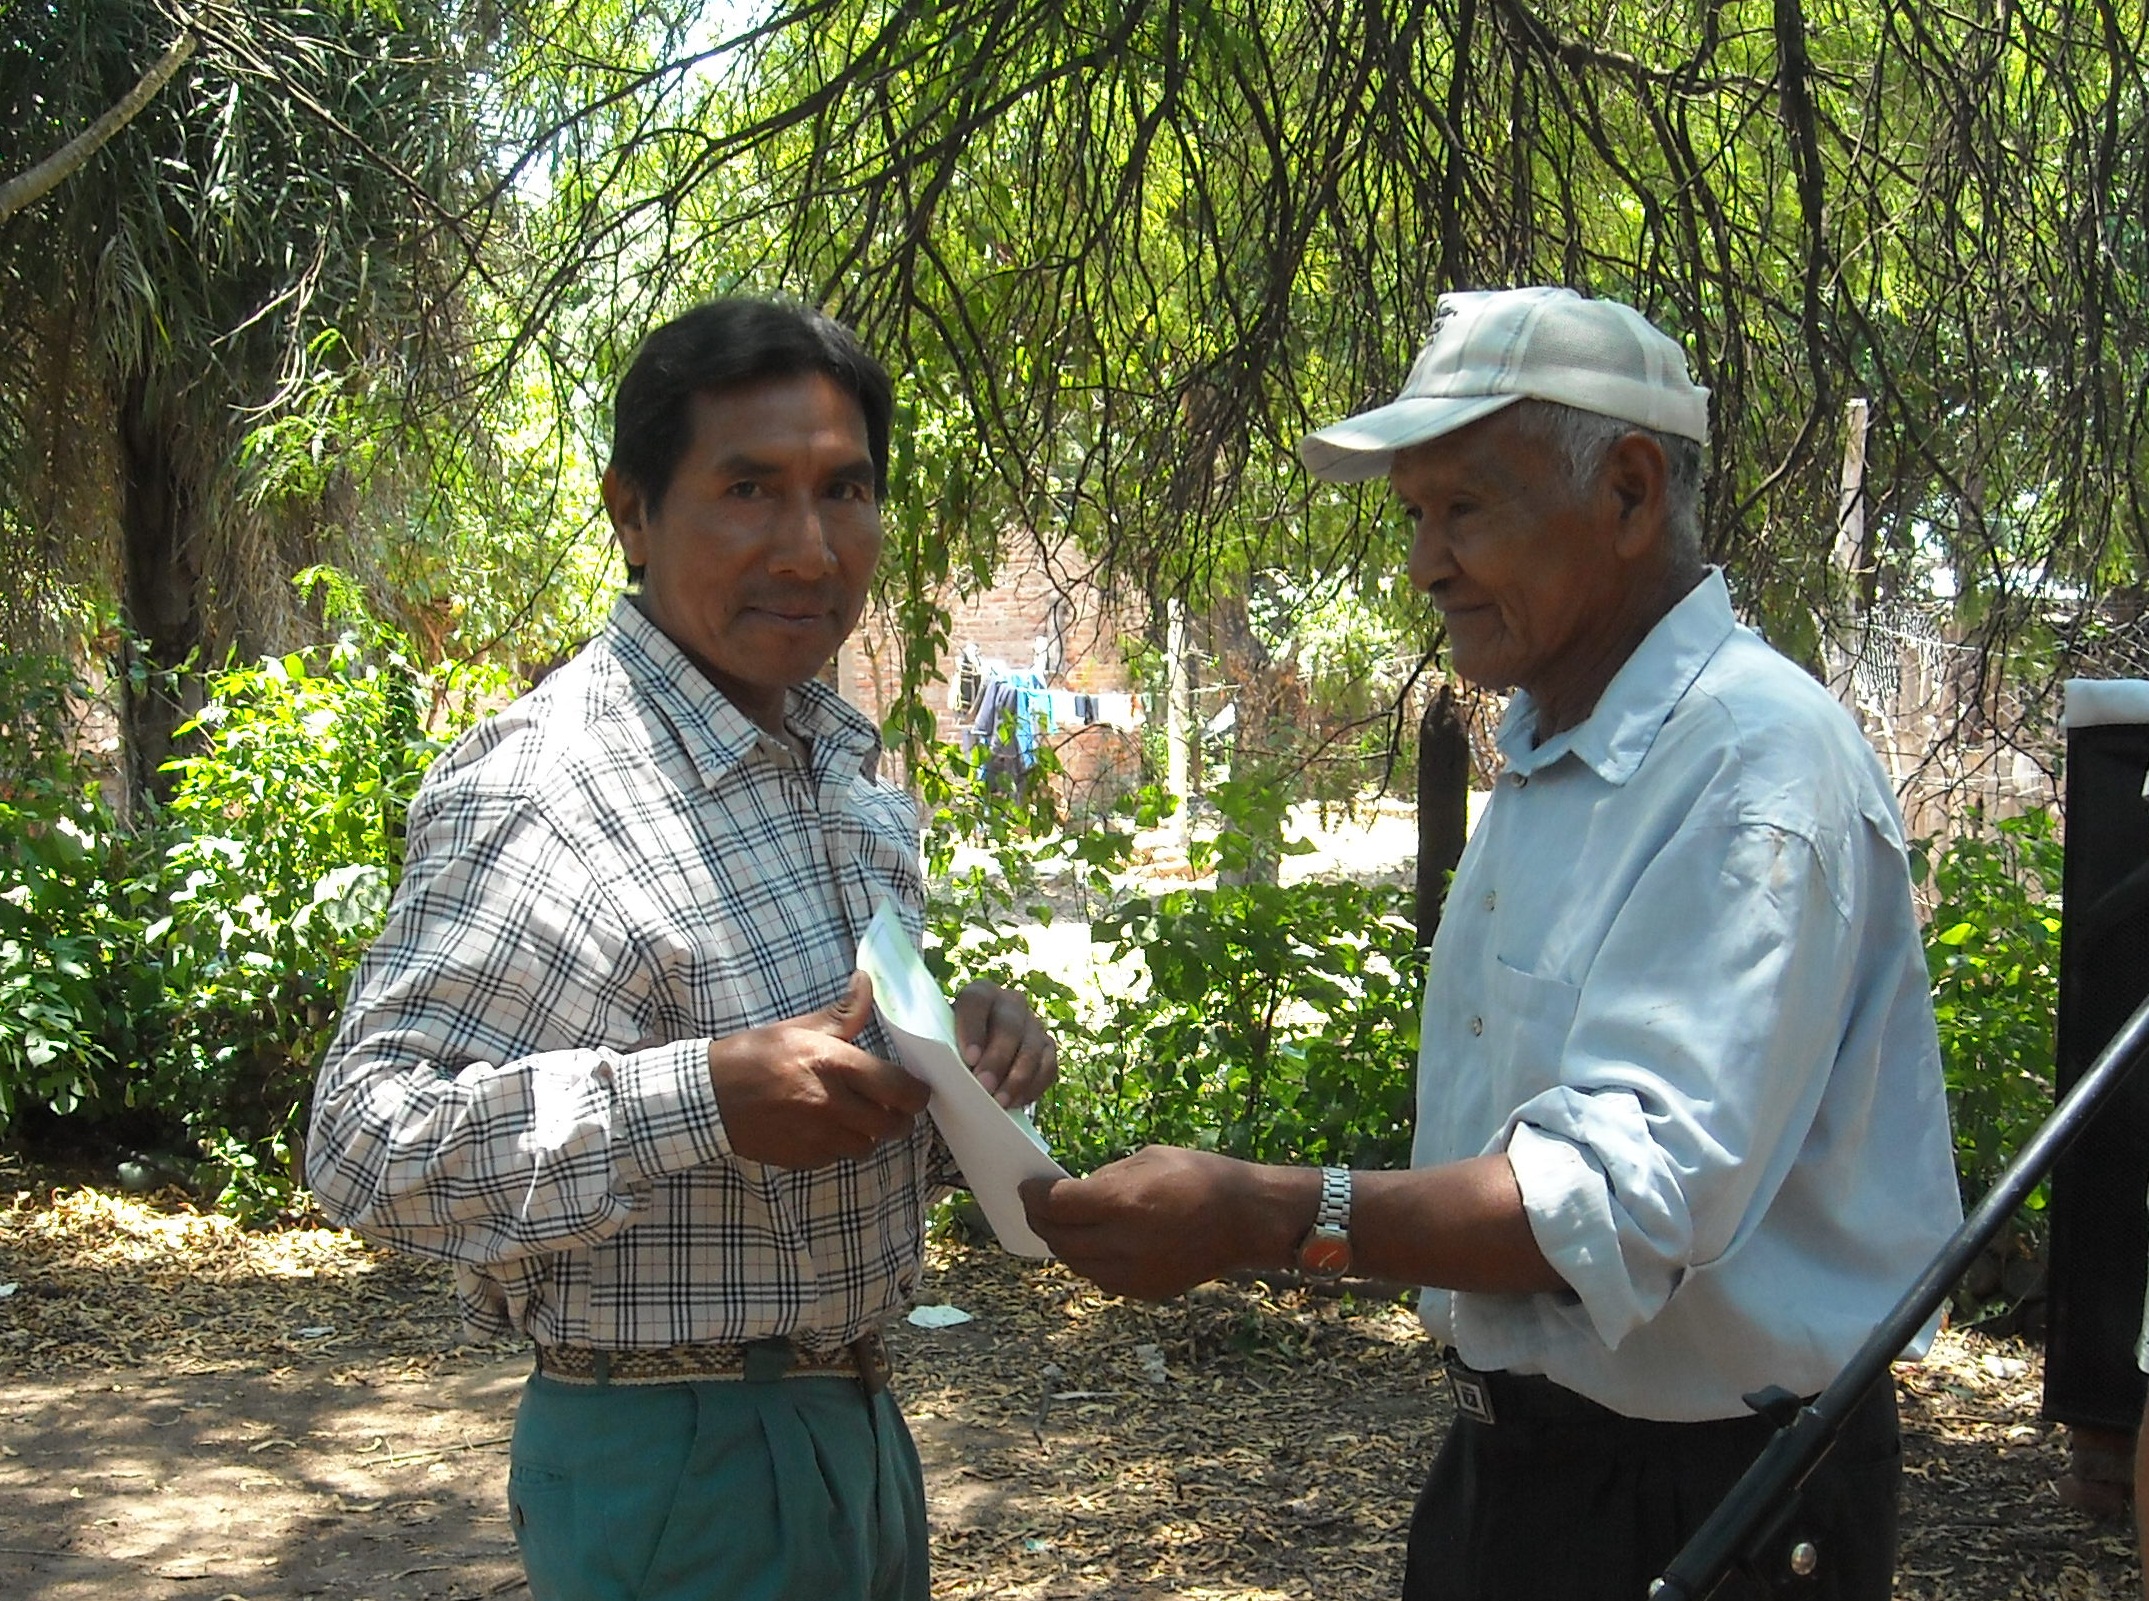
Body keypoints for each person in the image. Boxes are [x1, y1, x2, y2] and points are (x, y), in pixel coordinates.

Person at [1021, 285, 1961, 1601]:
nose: (1422, 564)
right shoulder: (1555, 748)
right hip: (1521, 1474)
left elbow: (1611, 1203)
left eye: (1463, 508)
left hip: (1713, 1500)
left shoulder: (1750, 771)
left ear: (1628, 492)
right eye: (1412, 514)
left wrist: (1258, 1212)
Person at [308, 296, 1058, 1601]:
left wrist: (961, 1070)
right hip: (674, 1468)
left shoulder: (829, 767)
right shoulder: (552, 785)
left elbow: (826, 1131)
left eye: (845, 488)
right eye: (748, 488)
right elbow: (363, 1142)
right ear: (632, 511)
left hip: (855, 1435)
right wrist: (698, 1095)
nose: (808, 546)